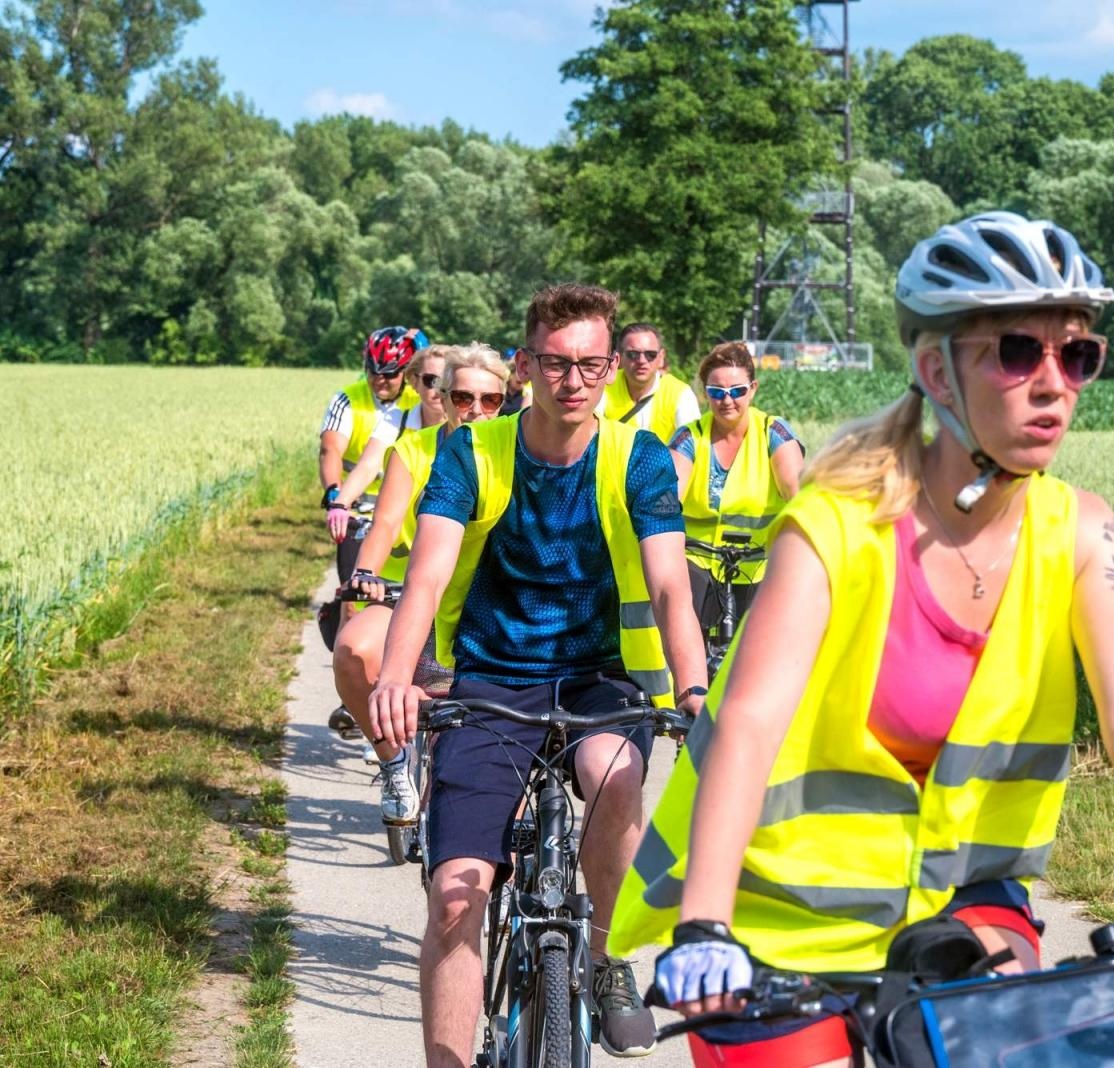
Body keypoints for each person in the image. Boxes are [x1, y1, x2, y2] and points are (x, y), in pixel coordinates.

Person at [608, 212, 1114, 1067]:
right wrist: (705, 925)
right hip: (780, 912)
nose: (1054, 382)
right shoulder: (837, 526)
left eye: (1078, 356)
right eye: (1019, 350)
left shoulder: (1080, 533)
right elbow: (750, 720)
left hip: (966, 901)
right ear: (936, 371)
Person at [368, 283, 709, 1065]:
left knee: (615, 776)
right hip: (489, 678)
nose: (575, 381)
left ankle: (604, 956)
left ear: (614, 367)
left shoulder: (638, 456)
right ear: (527, 366)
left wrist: (693, 690)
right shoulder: (473, 451)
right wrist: (395, 676)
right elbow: (424, 576)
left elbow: (668, 589)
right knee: (458, 893)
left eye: (593, 365)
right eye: (556, 364)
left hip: (599, 678)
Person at [331, 342, 511, 825]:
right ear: (444, 398)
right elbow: (386, 524)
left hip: (482, 601)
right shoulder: (413, 449)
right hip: (408, 590)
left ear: (504, 401)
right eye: (463, 398)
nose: (475, 410)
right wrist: (365, 574)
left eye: (489, 401)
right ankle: (392, 760)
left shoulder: (517, 450)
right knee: (351, 650)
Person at [668, 341, 803, 639]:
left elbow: (797, 492)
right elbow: (669, 494)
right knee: (687, 645)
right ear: (706, 393)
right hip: (697, 568)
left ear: (753, 388)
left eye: (737, 391)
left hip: (759, 568)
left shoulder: (773, 432)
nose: (727, 400)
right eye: (716, 392)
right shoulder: (689, 436)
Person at [318, 326, 424, 582]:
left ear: (407, 371)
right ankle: (340, 616)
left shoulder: (419, 398)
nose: (380, 380)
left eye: (390, 374)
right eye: (373, 372)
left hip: (405, 511)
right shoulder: (347, 398)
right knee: (353, 599)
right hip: (359, 509)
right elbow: (330, 449)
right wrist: (335, 494)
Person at [325, 344, 449, 544]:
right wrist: (340, 503)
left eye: (446, 381)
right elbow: (368, 465)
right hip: (394, 530)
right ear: (415, 382)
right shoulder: (397, 419)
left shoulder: (467, 426)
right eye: (430, 380)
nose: (438, 389)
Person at [601, 322, 701, 444]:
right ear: (619, 357)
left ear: (661, 357)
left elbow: (691, 448)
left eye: (650, 355)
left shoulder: (681, 394)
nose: (641, 361)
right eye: (633, 354)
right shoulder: (603, 386)